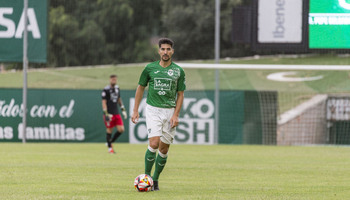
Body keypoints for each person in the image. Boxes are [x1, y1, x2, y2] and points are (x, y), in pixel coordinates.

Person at [131, 38, 186, 191]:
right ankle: (146, 177)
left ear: (172, 51)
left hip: (169, 111)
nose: (165, 52)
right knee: (154, 143)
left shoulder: (178, 71)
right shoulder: (149, 68)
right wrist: (135, 110)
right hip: (153, 109)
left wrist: (176, 115)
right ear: (159, 51)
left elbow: (180, 94)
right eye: (163, 49)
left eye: (168, 49)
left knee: (164, 149)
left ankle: (155, 180)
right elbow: (140, 88)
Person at [102, 74, 127, 154]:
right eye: (113, 79)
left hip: (116, 112)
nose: (114, 80)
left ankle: (110, 142)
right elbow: (104, 102)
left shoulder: (117, 88)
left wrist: (123, 109)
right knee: (110, 130)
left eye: (115, 79)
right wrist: (106, 114)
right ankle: (110, 149)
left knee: (121, 129)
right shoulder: (106, 89)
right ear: (110, 80)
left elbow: (119, 99)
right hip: (109, 114)